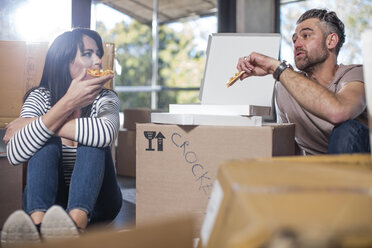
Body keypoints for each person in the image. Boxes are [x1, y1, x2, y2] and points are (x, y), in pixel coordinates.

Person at [1, 28, 122, 245]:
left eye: (98, 54)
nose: (97, 61)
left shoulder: (106, 98)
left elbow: (105, 134)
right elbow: (15, 154)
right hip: (50, 204)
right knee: (44, 140)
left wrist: (36, 124)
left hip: (100, 203)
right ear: (64, 60)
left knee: (90, 137)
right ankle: (38, 227)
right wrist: (68, 102)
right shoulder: (39, 97)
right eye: (87, 53)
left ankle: (76, 224)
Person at [237, 8, 369, 155]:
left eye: (306, 36)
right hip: (313, 173)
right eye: (294, 39)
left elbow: (339, 111)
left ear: (331, 41)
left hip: (359, 169)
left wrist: (276, 68)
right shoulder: (284, 86)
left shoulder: (357, 74)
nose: (297, 44)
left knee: (347, 130)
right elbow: (287, 144)